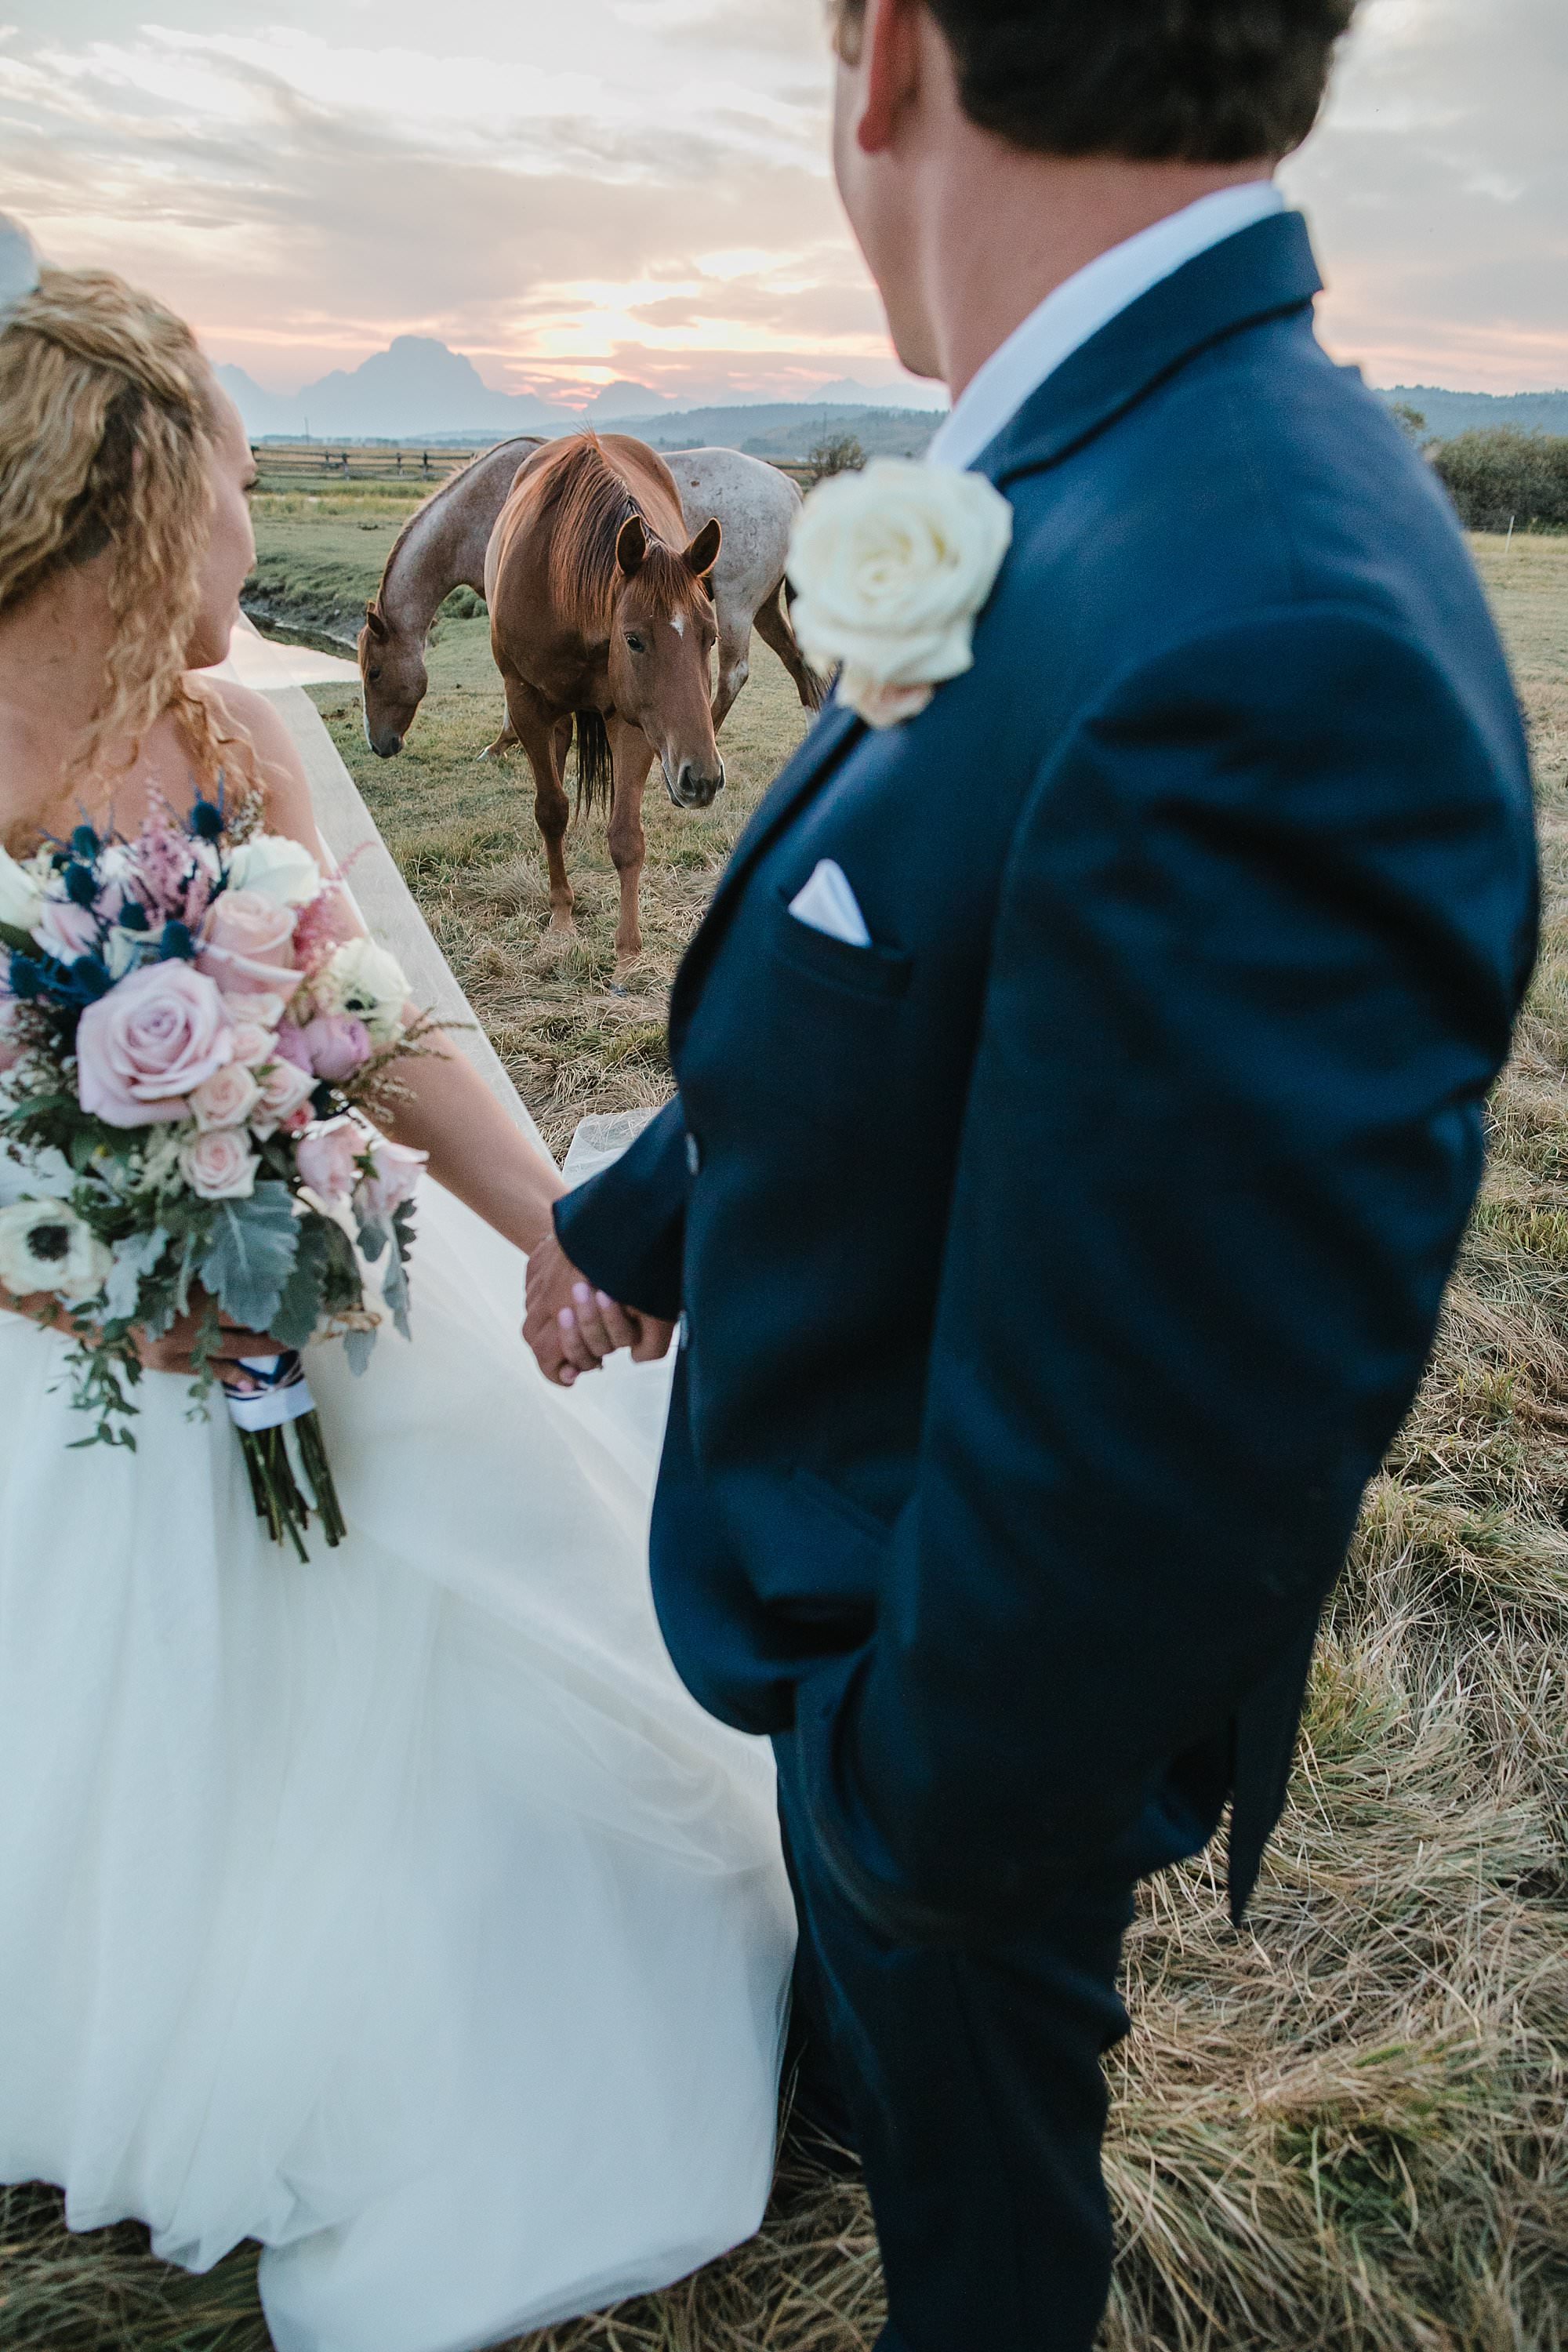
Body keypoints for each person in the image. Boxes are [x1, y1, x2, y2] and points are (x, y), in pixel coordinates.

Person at [524, 2, 1541, 2345]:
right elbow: (951, 959)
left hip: (947, 1740)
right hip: (868, 1629)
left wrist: (905, 1821)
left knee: (986, 2267)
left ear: (883, 57)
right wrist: (645, 1217)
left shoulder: (1268, 615)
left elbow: (1164, 1438)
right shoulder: (1106, 458)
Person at [0, 230, 794, 2352]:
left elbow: (392, 1025)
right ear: (134, 500)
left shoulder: (237, 737)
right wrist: (92, 1295)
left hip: (325, 1295)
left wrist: (550, 1219)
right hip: (76, 1367)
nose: (259, 534)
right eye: (242, 485)